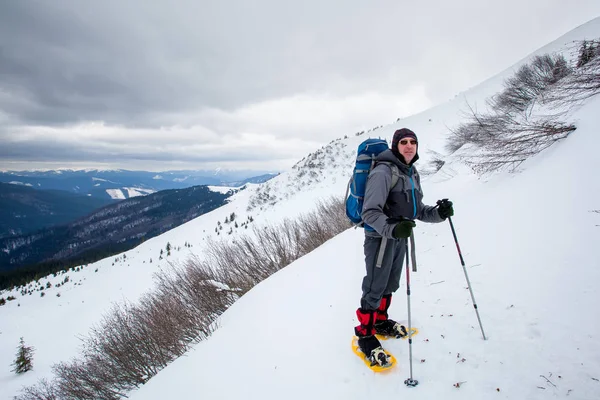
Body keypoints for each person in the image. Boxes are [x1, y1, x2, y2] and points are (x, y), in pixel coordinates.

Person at [354, 128, 454, 366]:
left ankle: (380, 321)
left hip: (399, 236)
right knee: (375, 286)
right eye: (404, 142)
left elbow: (416, 210)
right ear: (395, 146)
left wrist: (438, 213)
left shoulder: (410, 172)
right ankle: (365, 335)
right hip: (380, 238)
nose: (409, 146)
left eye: (413, 142)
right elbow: (370, 212)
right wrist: (392, 229)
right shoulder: (383, 172)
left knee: (390, 284)